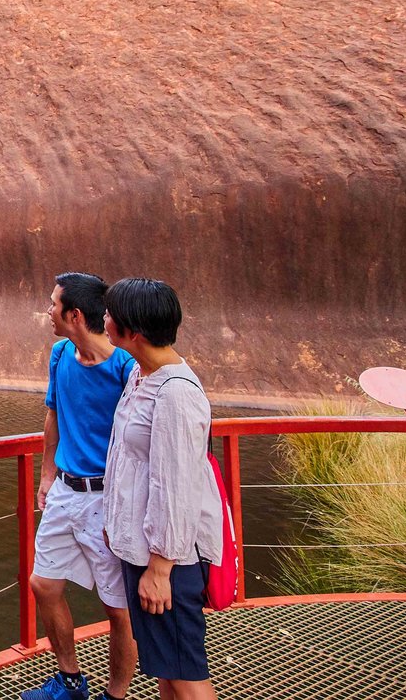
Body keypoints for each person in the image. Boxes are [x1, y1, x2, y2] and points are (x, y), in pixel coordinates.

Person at [102, 278, 222, 700]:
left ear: (134, 332)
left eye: (111, 314)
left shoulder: (175, 394)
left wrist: (160, 569)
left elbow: (174, 488)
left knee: (187, 676)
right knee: (168, 669)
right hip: (144, 547)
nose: (105, 319)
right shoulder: (141, 375)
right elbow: (128, 460)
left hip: (170, 560)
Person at [22, 272, 138, 700]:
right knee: (43, 585)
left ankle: (116, 695)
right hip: (65, 493)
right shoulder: (60, 354)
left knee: (118, 609)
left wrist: (125, 510)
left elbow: (136, 444)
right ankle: (71, 682)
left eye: (53, 305)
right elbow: (52, 415)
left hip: (108, 498)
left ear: (74, 315)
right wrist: (46, 474)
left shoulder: (125, 368)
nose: (48, 312)